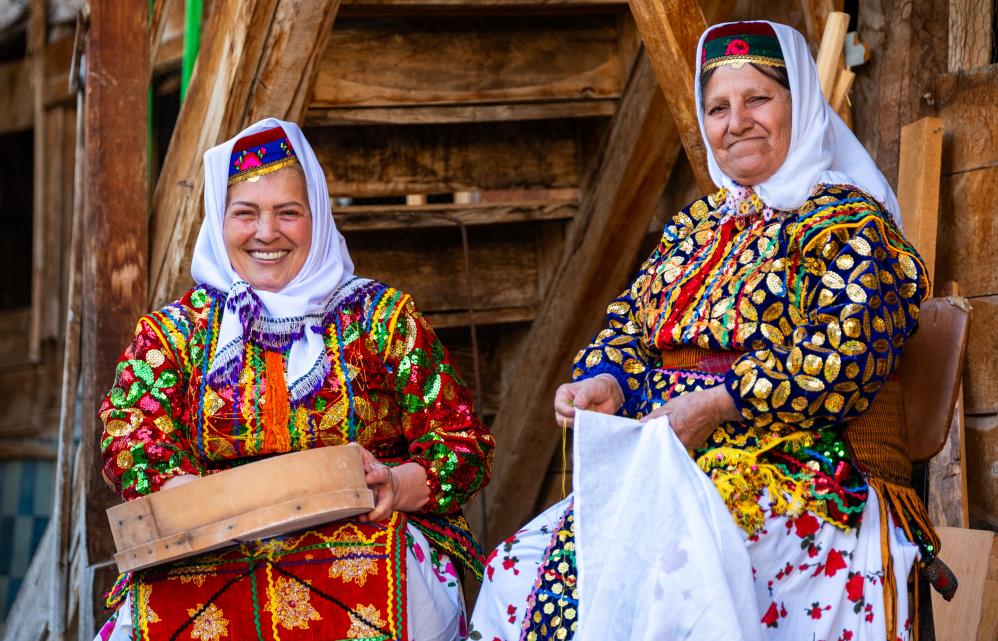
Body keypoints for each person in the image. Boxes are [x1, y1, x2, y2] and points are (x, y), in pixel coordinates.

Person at [471, 21, 950, 641]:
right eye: (718, 108)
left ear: (798, 105)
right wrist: (606, 381)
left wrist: (720, 404)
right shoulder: (696, 228)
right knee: (516, 568)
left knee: (671, 579)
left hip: (803, 470)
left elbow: (842, 355)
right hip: (678, 463)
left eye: (758, 99)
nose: (736, 122)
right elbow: (630, 326)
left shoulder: (846, 224)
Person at [96, 118, 495, 641]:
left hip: (371, 540)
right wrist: (196, 500)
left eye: (289, 212)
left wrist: (396, 486)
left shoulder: (381, 319)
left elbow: (463, 442)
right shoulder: (179, 333)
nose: (266, 233)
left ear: (319, 217)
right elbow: (127, 430)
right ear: (218, 219)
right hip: (211, 548)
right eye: (245, 213)